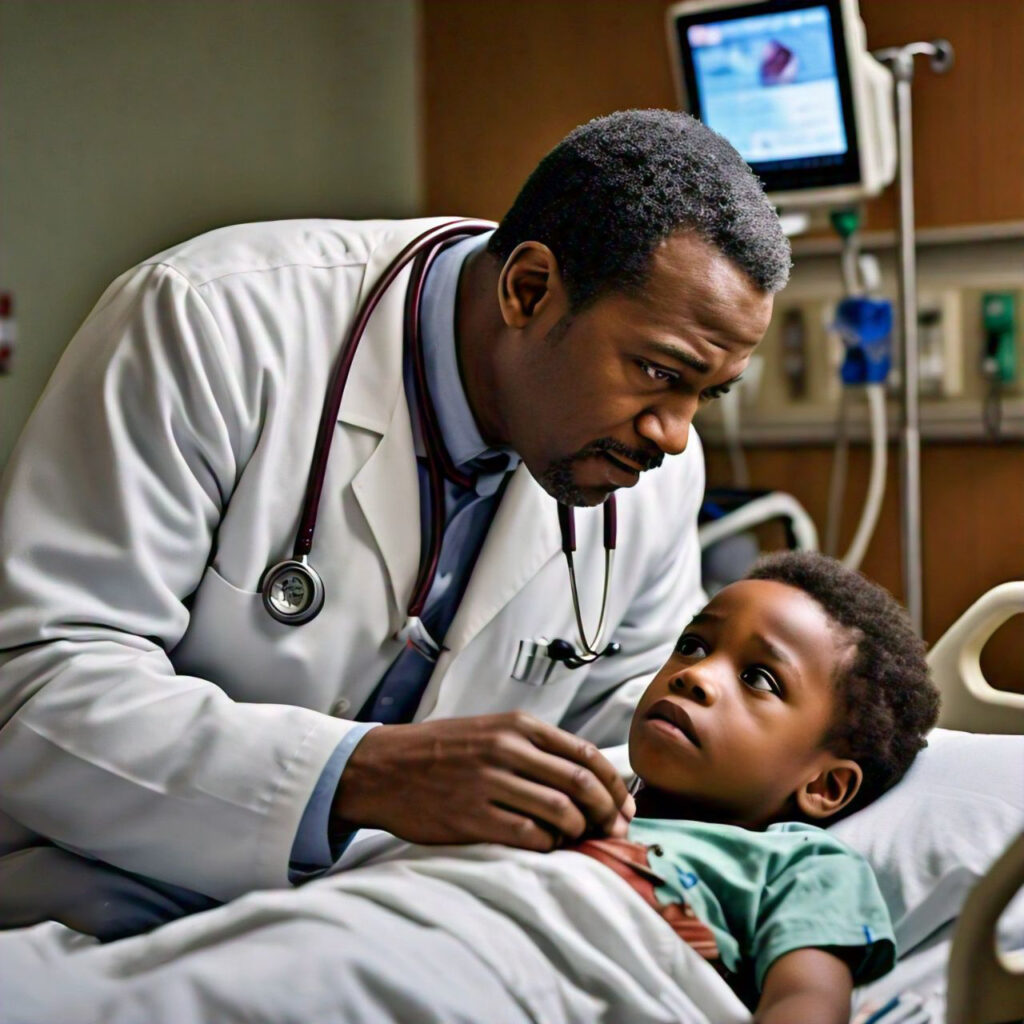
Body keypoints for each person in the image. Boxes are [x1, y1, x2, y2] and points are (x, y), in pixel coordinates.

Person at [0, 109, 790, 936]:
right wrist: (356, 776)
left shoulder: (649, 476)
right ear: (528, 290)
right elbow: (36, 685)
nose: (674, 434)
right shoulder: (211, 325)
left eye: (709, 394)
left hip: (403, 923)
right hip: (98, 899)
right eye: (658, 371)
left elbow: (623, 729)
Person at [0, 552, 940, 1024]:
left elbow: (806, 1005)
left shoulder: (793, 863)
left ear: (826, 786)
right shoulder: (560, 786)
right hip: (355, 922)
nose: (696, 674)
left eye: (759, 679)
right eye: (695, 644)